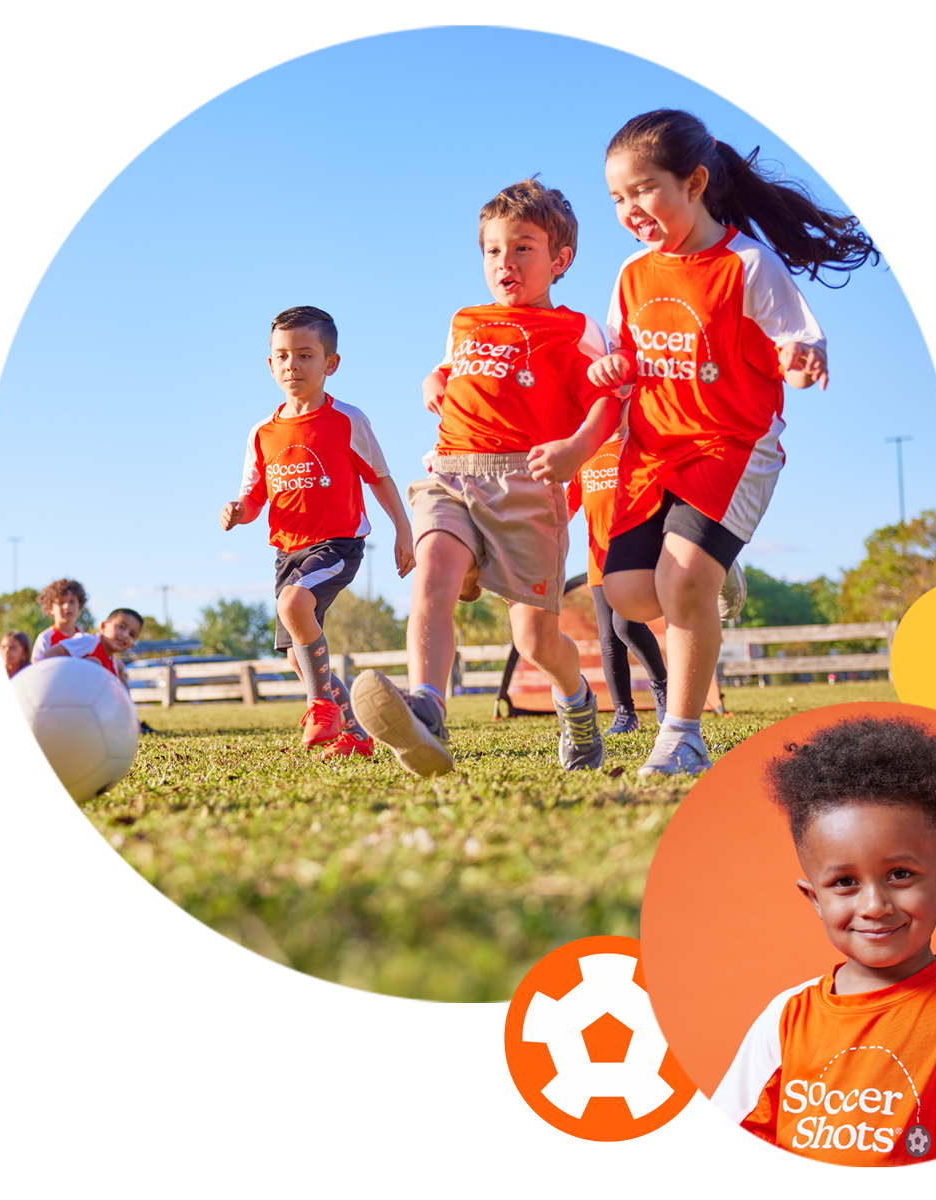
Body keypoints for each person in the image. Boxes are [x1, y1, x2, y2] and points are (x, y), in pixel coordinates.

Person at [588, 109, 878, 777]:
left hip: (732, 447)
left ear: (693, 183)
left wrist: (801, 363)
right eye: (617, 198)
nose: (630, 210)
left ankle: (682, 737)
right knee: (629, 596)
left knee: (683, 578)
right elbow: (621, 357)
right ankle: (715, 572)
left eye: (643, 190)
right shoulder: (632, 274)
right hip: (651, 452)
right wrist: (612, 368)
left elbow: (796, 347)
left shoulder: (748, 265)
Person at [351, 179, 622, 777]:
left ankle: (576, 703)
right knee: (433, 574)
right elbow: (448, 367)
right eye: (494, 250)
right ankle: (427, 708)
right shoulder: (466, 319)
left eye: (523, 248)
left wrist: (578, 448)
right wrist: (432, 382)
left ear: (560, 260)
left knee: (534, 641)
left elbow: (608, 401)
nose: (506, 262)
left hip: (527, 485)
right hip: (451, 472)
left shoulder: (576, 329)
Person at [709, 716, 936, 1165]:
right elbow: (726, 1140)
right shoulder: (786, 1017)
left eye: (900, 874)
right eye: (844, 882)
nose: (874, 905)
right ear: (815, 899)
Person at [220, 306, 414, 760]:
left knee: (293, 605)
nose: (292, 365)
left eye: (305, 355)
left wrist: (403, 531)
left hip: (337, 545)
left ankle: (321, 707)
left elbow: (380, 478)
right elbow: (254, 499)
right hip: (288, 554)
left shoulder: (348, 420)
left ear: (331, 363)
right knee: (298, 655)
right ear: (270, 364)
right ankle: (358, 733)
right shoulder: (261, 433)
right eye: (283, 356)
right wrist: (238, 511)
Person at [565, 406, 668, 734]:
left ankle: (663, 686)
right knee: (609, 640)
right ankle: (625, 714)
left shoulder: (641, 448)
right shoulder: (585, 455)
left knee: (625, 624)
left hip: (636, 557)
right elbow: (566, 507)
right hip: (599, 562)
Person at [43, 607, 143, 685]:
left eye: (132, 634)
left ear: (132, 645)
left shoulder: (113, 666)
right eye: (121, 627)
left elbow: (123, 699)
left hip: (85, 703)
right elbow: (51, 654)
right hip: (59, 692)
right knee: (94, 663)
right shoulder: (87, 641)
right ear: (103, 626)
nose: (125, 635)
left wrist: (121, 675)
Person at [31, 578, 88, 662]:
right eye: (61, 603)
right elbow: (38, 667)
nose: (67, 606)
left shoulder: (86, 639)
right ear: (50, 608)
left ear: (80, 606)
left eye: (72, 602)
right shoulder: (45, 638)